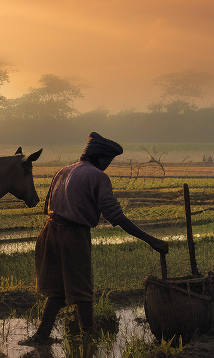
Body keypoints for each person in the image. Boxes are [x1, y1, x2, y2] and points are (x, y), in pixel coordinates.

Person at [21, 133, 168, 345]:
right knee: (83, 291)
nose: (107, 165)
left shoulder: (63, 171)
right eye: (108, 161)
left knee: (58, 290)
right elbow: (115, 215)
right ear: (101, 158)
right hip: (73, 235)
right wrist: (151, 240)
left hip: (49, 232)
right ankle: (89, 338)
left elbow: (47, 208)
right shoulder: (98, 176)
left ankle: (41, 336)